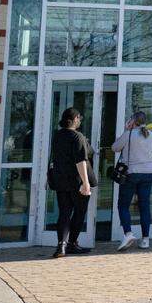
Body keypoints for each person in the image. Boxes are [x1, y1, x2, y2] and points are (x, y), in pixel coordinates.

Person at [50, 107, 96, 258]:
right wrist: (86, 182)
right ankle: (72, 243)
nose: (80, 121)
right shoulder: (77, 137)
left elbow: (54, 158)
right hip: (77, 182)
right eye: (79, 118)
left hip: (61, 180)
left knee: (64, 213)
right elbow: (80, 161)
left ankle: (61, 246)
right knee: (79, 212)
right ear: (75, 118)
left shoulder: (57, 136)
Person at [112, 110, 152, 250]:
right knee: (144, 206)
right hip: (148, 173)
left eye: (130, 119)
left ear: (133, 121)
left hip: (132, 173)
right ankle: (145, 239)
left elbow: (115, 148)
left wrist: (126, 129)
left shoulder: (128, 134)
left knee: (123, 205)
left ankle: (128, 233)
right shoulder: (151, 135)